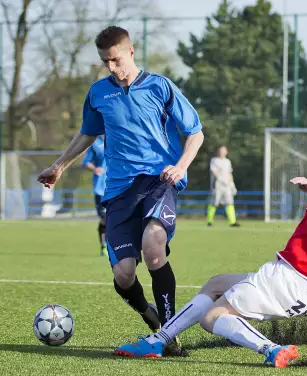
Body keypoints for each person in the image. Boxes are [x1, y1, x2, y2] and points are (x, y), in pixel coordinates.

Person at [115, 123, 307, 368]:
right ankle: (158, 341)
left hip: (287, 278)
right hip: (304, 292)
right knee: (216, 284)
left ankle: (271, 349)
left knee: (212, 318)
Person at [37, 26, 204, 355]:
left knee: (154, 246)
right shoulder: (99, 93)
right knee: (124, 275)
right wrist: (59, 166)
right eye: (104, 62)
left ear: (131, 52)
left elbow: (195, 132)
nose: (111, 68)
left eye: (115, 60)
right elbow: (87, 134)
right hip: (119, 190)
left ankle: (168, 335)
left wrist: (181, 166)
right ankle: (152, 318)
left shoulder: (160, 87)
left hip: (159, 180)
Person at [81, 135, 108, 256]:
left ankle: (119, 247)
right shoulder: (95, 143)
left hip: (118, 184)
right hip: (101, 187)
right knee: (106, 218)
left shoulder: (118, 136)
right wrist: (95, 169)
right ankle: (104, 246)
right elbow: (86, 162)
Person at [207, 146, 239, 227]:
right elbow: (213, 171)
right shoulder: (214, 160)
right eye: (221, 151)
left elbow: (229, 173)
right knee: (215, 203)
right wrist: (220, 178)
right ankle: (209, 221)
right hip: (217, 184)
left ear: (226, 152)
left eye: (224, 151)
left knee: (229, 202)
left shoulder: (227, 161)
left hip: (227, 185)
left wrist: (232, 184)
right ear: (218, 152)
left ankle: (233, 221)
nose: (222, 152)